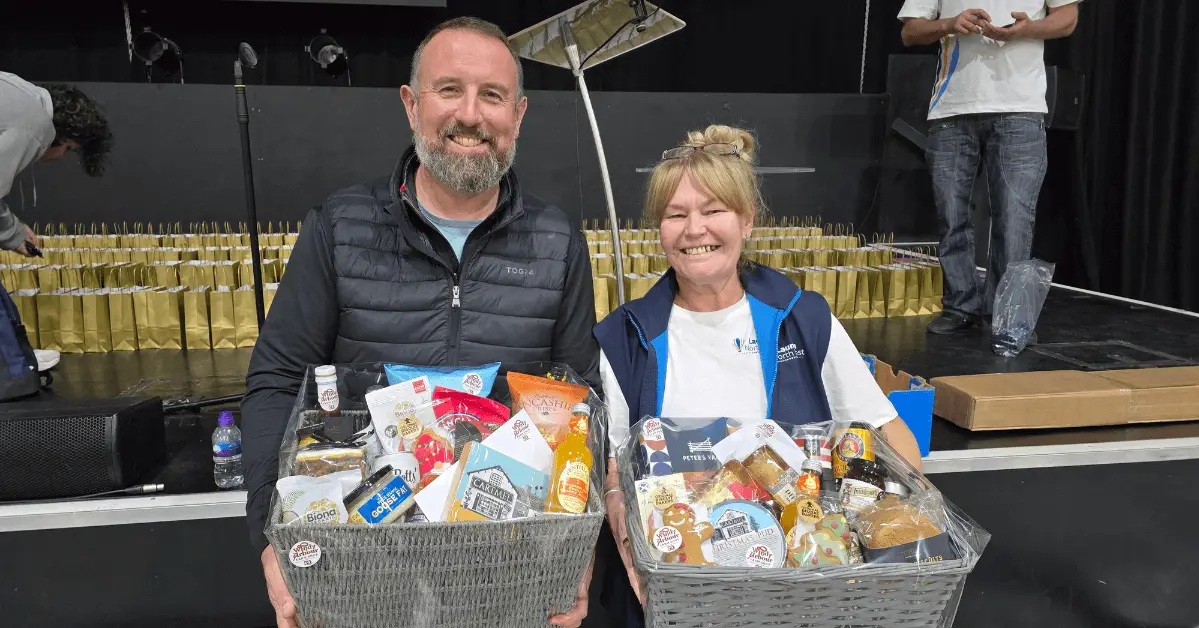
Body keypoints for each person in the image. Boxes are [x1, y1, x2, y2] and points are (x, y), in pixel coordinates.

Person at [241, 17, 605, 628]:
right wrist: (269, 541)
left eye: (491, 95)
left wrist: (578, 557)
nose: (470, 114)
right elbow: (277, 382)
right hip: (362, 569)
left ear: (518, 115)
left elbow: (582, 402)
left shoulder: (557, 240)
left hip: (510, 573)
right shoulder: (339, 227)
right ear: (411, 105)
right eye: (449, 90)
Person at [594, 125, 924, 621]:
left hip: (799, 592)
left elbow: (888, 435)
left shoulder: (803, 319)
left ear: (747, 221)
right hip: (684, 588)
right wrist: (624, 527)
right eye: (675, 214)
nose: (693, 229)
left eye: (713, 211)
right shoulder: (625, 337)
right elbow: (616, 464)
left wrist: (896, 533)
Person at [897, 1, 1081, 334]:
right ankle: (960, 302)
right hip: (951, 108)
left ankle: (1006, 316)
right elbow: (910, 30)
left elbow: (1067, 19)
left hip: (1020, 107)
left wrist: (1026, 30)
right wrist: (950, 23)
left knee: (1014, 218)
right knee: (951, 215)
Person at [0, 73, 113, 372]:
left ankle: (16, 359)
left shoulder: (25, 94)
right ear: (63, 140)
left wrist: (12, 230)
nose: (61, 156)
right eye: (70, 150)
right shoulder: (35, 130)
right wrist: (12, 234)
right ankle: (14, 366)